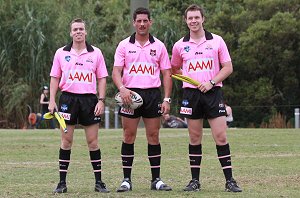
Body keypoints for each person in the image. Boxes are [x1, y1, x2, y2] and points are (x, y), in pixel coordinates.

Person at [171, 4, 242, 192]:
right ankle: (195, 182)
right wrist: (190, 81)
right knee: (195, 138)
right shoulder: (179, 45)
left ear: (203, 19)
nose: (193, 21)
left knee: (221, 136)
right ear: (186, 21)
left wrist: (210, 82)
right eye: (190, 18)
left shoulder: (217, 41)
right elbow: (174, 69)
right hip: (191, 95)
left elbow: (228, 67)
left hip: (213, 93)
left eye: (196, 17)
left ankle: (230, 181)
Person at [112, 7, 173, 192]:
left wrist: (167, 99)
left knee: (153, 136)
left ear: (150, 22)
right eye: (138, 21)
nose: (142, 24)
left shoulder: (159, 46)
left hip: (152, 94)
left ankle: (156, 180)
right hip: (130, 96)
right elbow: (116, 71)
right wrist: (122, 88)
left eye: (145, 21)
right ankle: (126, 180)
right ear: (133, 23)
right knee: (128, 136)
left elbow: (166, 73)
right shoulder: (124, 45)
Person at [48, 18, 109, 194]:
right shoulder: (61, 53)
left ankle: (99, 183)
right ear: (71, 32)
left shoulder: (96, 53)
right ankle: (61, 183)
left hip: (89, 100)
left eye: (81, 29)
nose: (78, 32)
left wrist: (101, 100)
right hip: (68, 100)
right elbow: (54, 77)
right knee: (66, 142)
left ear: (86, 32)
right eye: (75, 29)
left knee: (93, 142)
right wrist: (52, 100)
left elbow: (102, 78)